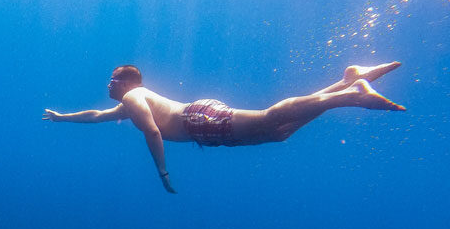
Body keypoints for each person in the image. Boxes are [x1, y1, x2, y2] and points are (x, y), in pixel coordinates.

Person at [43, 62, 406, 194]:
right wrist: (62, 118)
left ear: (125, 82)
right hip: (201, 128)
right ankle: (346, 82)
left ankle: (351, 95)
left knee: (269, 118)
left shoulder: (134, 96)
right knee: (279, 132)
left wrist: (163, 172)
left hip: (197, 120)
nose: (108, 85)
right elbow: (95, 115)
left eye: (112, 80)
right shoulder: (129, 103)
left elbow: (152, 132)